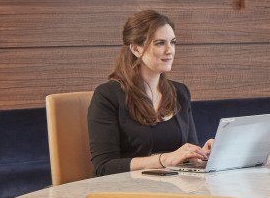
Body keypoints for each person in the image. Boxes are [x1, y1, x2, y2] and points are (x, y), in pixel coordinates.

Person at [87, 10, 213, 176]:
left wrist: (199, 156)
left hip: (175, 190)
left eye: (173, 42)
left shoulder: (180, 92)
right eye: (160, 43)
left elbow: (186, 150)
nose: (170, 50)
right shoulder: (107, 96)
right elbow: (104, 167)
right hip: (129, 192)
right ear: (136, 49)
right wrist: (164, 160)